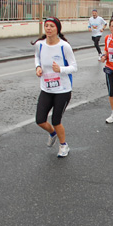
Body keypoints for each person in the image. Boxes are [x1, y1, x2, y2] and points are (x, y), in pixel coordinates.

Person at [32, 17, 77, 158]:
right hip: (46, 88)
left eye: (52, 26)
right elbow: (37, 57)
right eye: (47, 26)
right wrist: (38, 67)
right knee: (40, 120)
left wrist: (61, 69)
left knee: (56, 120)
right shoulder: (39, 44)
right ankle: (52, 133)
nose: (49, 28)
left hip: (62, 90)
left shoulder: (64, 46)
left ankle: (64, 145)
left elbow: (74, 67)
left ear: (57, 29)